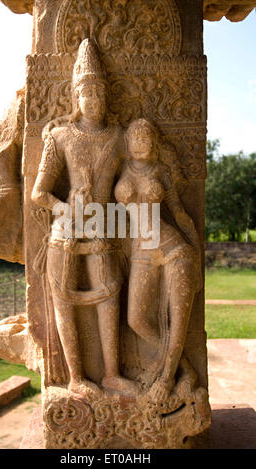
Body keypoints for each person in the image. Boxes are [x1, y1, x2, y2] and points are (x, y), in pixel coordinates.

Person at [31, 39, 137, 397]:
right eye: (86, 93)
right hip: (66, 229)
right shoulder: (60, 136)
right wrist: (65, 207)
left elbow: (137, 172)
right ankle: (76, 376)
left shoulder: (120, 137)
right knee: (63, 298)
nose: (94, 99)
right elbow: (39, 193)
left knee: (110, 297)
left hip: (104, 225)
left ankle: (111, 373)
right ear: (75, 98)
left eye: (99, 92)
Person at [115, 118, 202, 400]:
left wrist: (196, 254)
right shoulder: (120, 170)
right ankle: (185, 370)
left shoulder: (161, 172)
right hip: (142, 250)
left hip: (173, 248)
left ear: (153, 143)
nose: (141, 142)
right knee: (136, 320)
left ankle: (166, 378)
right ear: (127, 144)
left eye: (146, 137)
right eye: (135, 138)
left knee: (178, 319)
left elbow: (179, 214)